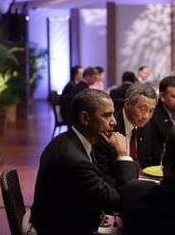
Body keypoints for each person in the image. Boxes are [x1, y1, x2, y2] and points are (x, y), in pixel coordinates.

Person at [30, 89, 138, 235]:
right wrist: (123, 154)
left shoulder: (72, 140)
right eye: (107, 115)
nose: (114, 121)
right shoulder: (75, 160)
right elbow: (124, 201)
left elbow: (96, 189)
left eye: (113, 114)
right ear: (85, 118)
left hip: (67, 220)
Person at [95, 83, 158, 185]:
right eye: (143, 109)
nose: (146, 116)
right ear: (127, 104)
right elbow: (104, 174)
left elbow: (147, 163)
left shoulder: (147, 127)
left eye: (151, 111)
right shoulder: (109, 127)